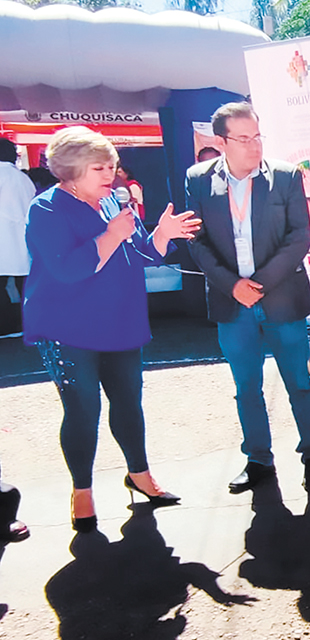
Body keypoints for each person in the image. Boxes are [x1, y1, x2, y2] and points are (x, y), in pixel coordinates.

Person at [24, 126, 200, 532]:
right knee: (83, 410)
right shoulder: (46, 208)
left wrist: (161, 235)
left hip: (120, 319)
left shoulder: (112, 203)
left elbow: (138, 253)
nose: (110, 174)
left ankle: (139, 474)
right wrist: (110, 235)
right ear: (69, 170)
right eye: (99, 167)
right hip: (67, 327)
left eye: (112, 166)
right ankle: (82, 490)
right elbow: (67, 269)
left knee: (128, 402)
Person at [185, 102, 310, 494]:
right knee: (246, 386)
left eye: (257, 137)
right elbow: (196, 240)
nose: (254, 146)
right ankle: (258, 459)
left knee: (299, 381)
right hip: (233, 305)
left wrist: (259, 284)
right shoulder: (198, 180)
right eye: (243, 139)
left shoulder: (284, 177)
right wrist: (233, 285)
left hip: (281, 297)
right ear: (221, 142)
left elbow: (299, 237)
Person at [1, 137, 36, 338]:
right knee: (26, 285)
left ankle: (6, 327)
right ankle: (28, 325)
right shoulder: (24, 178)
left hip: (3, 240)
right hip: (23, 240)